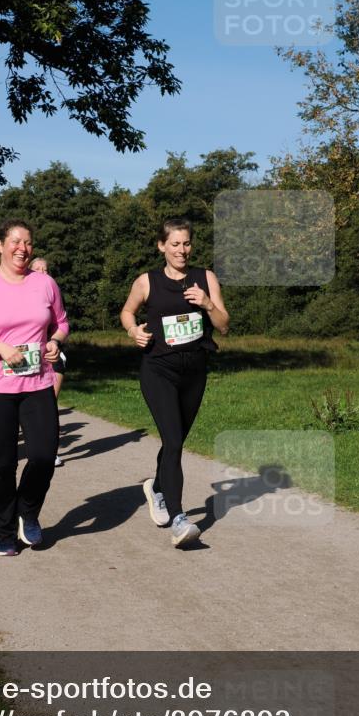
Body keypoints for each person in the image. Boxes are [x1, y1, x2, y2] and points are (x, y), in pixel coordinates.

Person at [0, 220, 69, 557]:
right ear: (1, 246)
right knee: (4, 464)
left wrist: (55, 340)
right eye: (15, 241)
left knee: (44, 456)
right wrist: (0, 348)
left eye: (28, 242)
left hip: (38, 383)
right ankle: (3, 532)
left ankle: (28, 512)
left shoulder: (45, 284)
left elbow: (61, 322)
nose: (22, 248)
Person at [120, 217, 229, 547]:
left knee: (175, 439)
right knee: (175, 440)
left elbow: (223, 325)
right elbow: (127, 312)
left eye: (186, 243)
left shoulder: (205, 278)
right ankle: (180, 518)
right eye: (175, 244)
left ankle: (155, 488)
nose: (182, 250)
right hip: (159, 371)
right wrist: (133, 330)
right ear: (161, 246)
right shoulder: (147, 282)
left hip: (194, 371)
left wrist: (207, 303)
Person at [30, 256, 66, 466]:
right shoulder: (22, 294)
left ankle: (52, 450)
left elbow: (63, 323)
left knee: (50, 403)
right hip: (30, 354)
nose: (42, 272)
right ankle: (36, 446)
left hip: (53, 352)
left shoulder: (54, 292)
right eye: (38, 269)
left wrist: (55, 340)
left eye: (46, 269)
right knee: (33, 405)